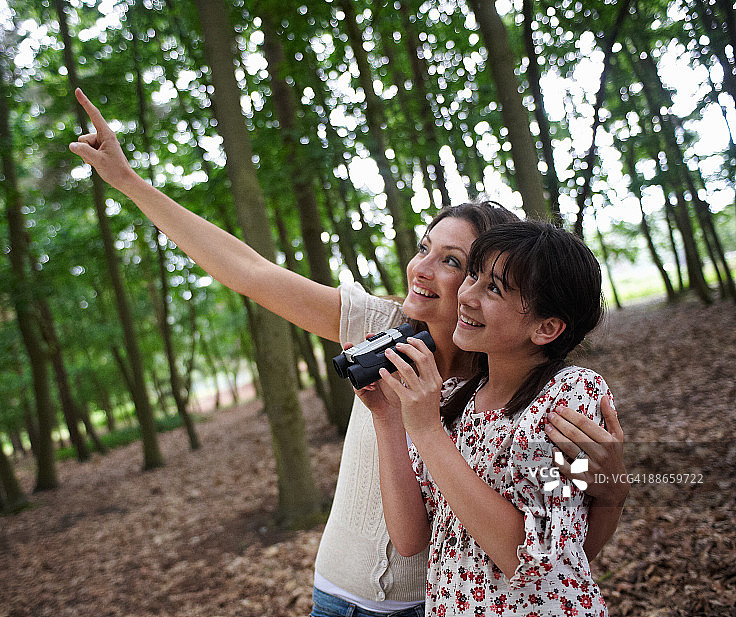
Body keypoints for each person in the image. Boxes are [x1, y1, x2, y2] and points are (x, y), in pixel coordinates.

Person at [67, 89, 627, 617]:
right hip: (340, 596)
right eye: (424, 248)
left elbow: (562, 553)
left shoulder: (510, 385)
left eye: (455, 262)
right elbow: (249, 272)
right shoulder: (378, 325)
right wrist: (130, 183)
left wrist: (611, 491)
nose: (422, 269)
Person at [362, 221, 619, 616]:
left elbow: (529, 556)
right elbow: (410, 538)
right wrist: (388, 416)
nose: (466, 295)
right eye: (474, 276)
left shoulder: (570, 396)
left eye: (494, 289)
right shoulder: (457, 400)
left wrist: (427, 430)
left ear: (546, 327)